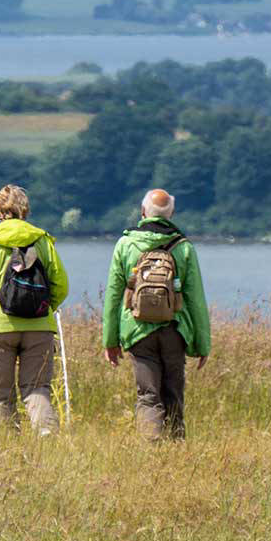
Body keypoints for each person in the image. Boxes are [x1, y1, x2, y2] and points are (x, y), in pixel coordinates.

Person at [102, 188, 211, 440]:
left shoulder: (125, 244)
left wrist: (110, 341)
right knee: (173, 392)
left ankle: (152, 447)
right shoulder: (183, 248)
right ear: (170, 213)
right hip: (175, 329)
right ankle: (175, 447)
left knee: (148, 395)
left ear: (143, 212)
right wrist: (202, 344)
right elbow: (195, 299)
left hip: (137, 329)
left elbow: (113, 296)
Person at [0, 184, 70, 433]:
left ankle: (7, 447)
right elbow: (61, 285)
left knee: (2, 394)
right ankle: (47, 435)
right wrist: (44, 307)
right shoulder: (42, 241)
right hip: (39, 328)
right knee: (37, 388)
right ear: (25, 210)